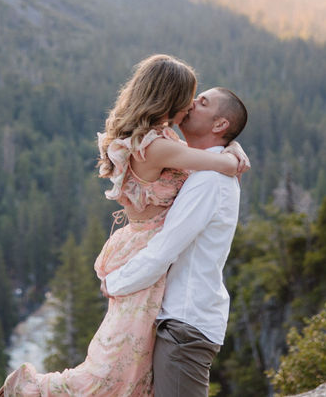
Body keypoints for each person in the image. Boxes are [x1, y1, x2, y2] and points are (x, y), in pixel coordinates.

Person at [0, 54, 248, 396]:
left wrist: (231, 146)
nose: (191, 104)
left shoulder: (172, 148)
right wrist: (231, 153)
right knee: (114, 370)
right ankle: (28, 390)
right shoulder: (159, 147)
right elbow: (218, 166)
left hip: (154, 275)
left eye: (200, 100)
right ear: (168, 97)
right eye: (191, 96)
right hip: (144, 261)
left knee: (128, 373)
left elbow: (212, 167)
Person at [103, 86, 248, 397]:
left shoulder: (209, 180)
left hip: (186, 324)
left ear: (220, 124)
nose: (191, 103)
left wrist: (114, 283)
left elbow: (165, 249)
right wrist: (234, 147)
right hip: (180, 320)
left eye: (202, 101)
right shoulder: (204, 166)